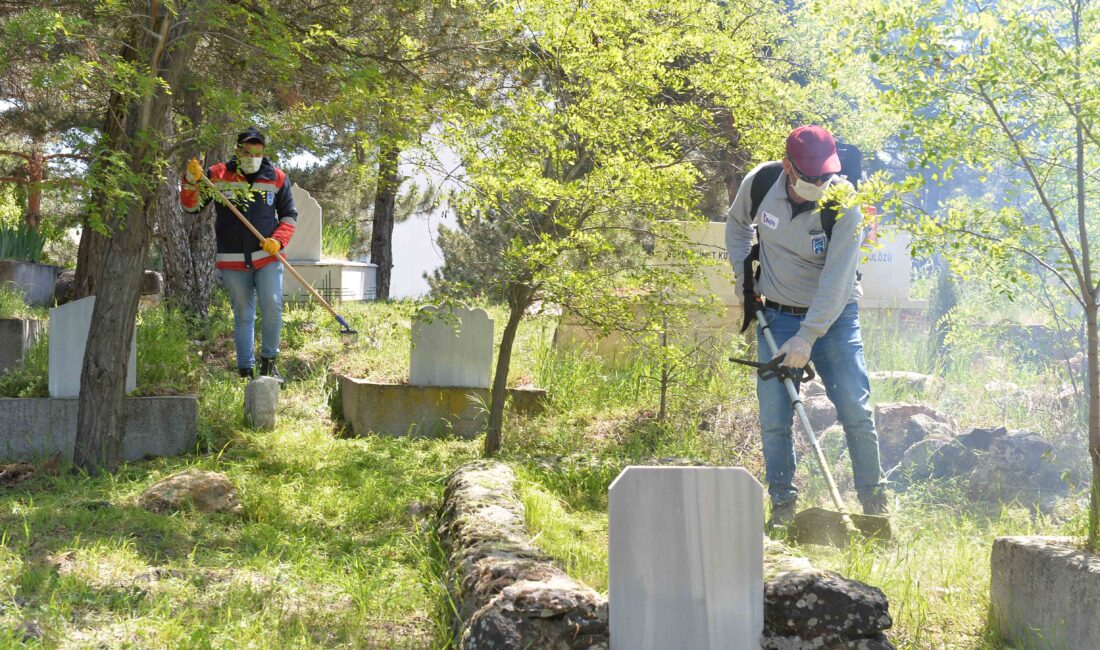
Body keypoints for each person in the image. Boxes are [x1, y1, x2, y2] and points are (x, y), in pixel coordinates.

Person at [725, 125, 886, 526]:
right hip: (776, 314)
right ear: (788, 167)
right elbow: (737, 226)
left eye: (824, 175)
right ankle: (783, 505)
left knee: (855, 407)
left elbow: (837, 282)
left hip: (834, 318)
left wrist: (807, 337)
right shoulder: (761, 183)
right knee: (775, 416)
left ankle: (875, 502)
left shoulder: (844, 205)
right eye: (810, 176)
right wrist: (744, 278)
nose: (819, 183)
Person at [180, 126, 296, 381]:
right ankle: (245, 369)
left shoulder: (276, 177)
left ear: (263, 151)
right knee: (244, 313)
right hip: (232, 259)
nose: (252, 155)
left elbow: (289, 215)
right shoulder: (218, 175)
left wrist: (278, 240)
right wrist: (190, 180)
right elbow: (192, 208)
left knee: (273, 306)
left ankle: (269, 363)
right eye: (246, 150)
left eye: (257, 151)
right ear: (238, 150)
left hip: (267, 257)